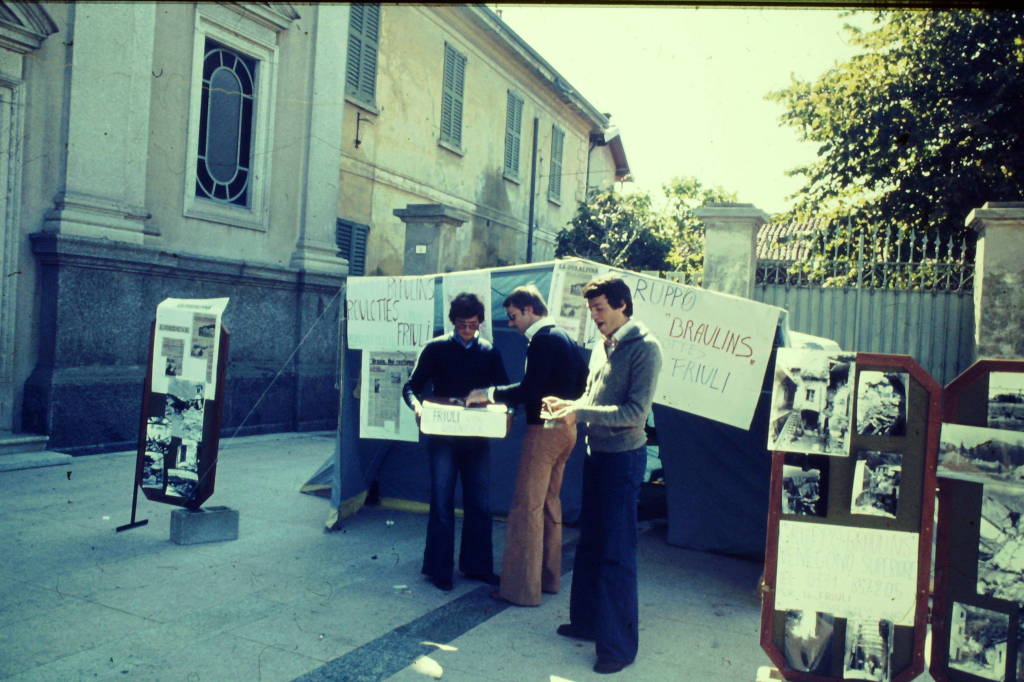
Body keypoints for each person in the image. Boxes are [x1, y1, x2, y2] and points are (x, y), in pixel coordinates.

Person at [542, 274, 662, 675]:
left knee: (617, 553)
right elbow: (594, 400)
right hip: (597, 455)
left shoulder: (645, 349)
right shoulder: (601, 345)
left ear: (623, 306)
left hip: (623, 461)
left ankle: (618, 648)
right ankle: (588, 623)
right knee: (591, 545)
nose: (594, 316)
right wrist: (569, 404)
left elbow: (634, 413)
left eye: (600, 308)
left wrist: (580, 412)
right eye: (591, 309)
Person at [465, 284, 586, 606]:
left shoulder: (543, 340)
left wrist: (487, 394)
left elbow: (531, 388)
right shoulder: (565, 338)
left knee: (525, 509)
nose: (511, 323)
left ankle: (520, 590)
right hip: (565, 431)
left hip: (543, 431)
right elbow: (584, 380)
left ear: (530, 310)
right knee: (549, 503)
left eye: (513, 316)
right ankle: (547, 579)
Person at [402, 292, 509, 592]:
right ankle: (439, 569)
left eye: (472, 325)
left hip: (476, 438)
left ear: (480, 323)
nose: (466, 331)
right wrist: (418, 407)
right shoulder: (436, 348)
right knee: (441, 501)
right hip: (443, 438)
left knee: (480, 502)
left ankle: (477, 567)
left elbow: (504, 390)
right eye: (461, 325)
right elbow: (410, 387)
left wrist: (507, 410)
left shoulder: (489, 351)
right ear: (452, 322)